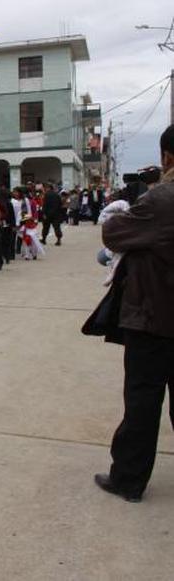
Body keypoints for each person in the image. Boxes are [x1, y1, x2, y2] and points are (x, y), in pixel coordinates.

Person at [92, 125, 174, 503]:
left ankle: (129, 478)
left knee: (142, 402)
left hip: (155, 316)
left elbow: (114, 233)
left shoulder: (161, 200)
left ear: (167, 157)